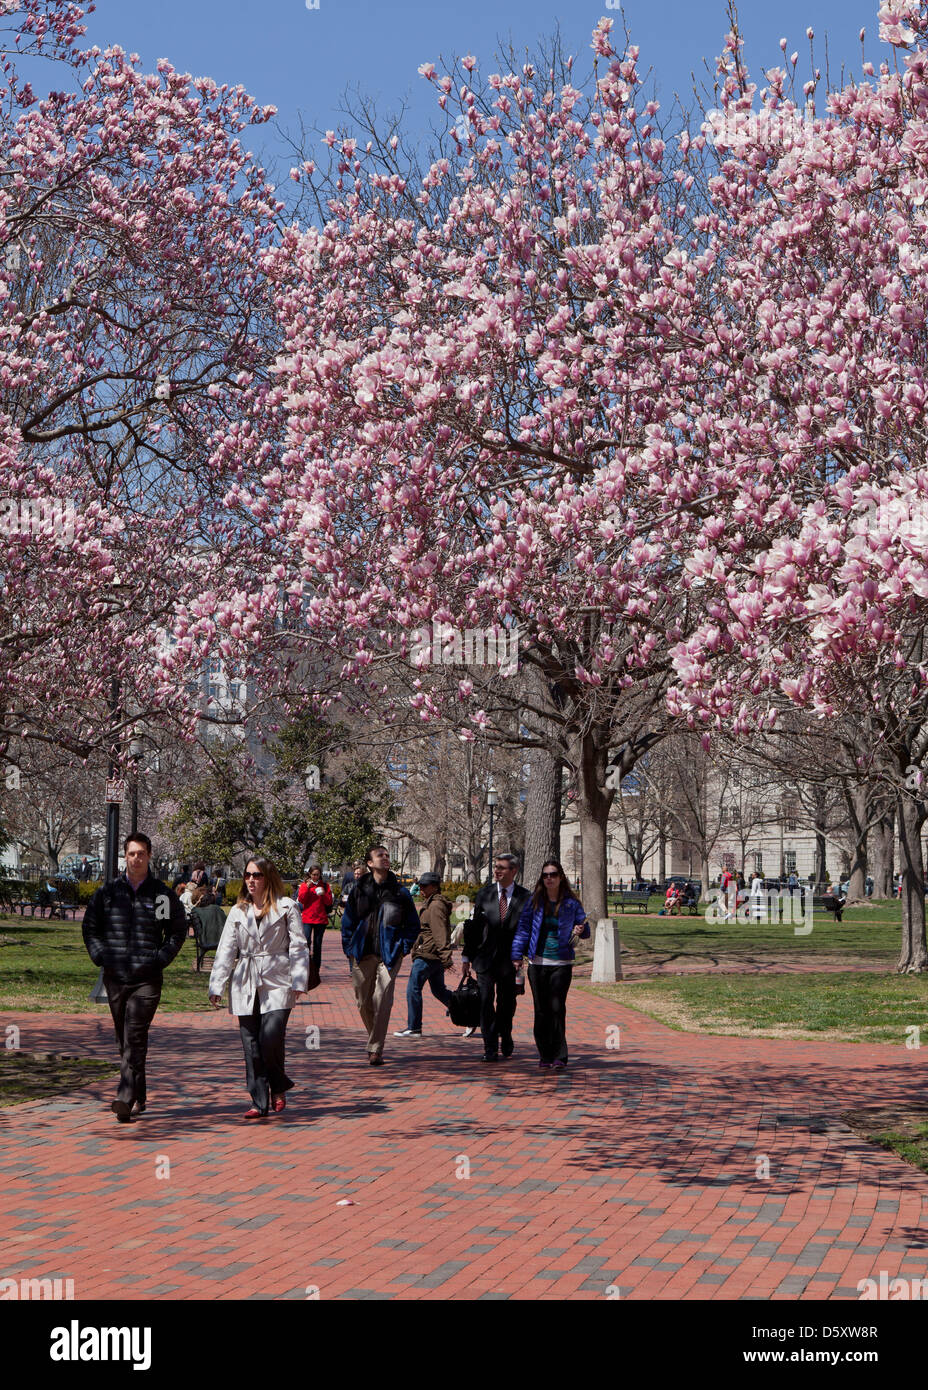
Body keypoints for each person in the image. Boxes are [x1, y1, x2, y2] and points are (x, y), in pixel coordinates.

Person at [81, 832, 187, 1123]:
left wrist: (160, 959)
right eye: (131, 854)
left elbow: (177, 931)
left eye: (141, 853)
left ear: (149, 856)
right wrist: (102, 956)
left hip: (146, 980)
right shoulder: (109, 894)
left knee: (134, 1036)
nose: (136, 858)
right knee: (124, 1040)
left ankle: (124, 1098)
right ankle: (139, 1097)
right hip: (116, 977)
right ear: (124, 857)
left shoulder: (161, 895)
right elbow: (90, 928)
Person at [208, 855, 308, 1118]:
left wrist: (299, 979)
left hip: (278, 979)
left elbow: (298, 945)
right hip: (245, 979)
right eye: (248, 875)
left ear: (268, 877)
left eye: (257, 875)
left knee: (270, 1036)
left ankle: (279, 1084)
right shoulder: (238, 912)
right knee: (251, 1044)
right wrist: (217, 984)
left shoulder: (287, 907)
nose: (252, 880)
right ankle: (259, 1101)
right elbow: (226, 949)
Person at [341, 845, 419, 1065]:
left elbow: (412, 924)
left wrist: (403, 947)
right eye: (380, 855)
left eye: (387, 855)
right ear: (369, 863)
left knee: (382, 999)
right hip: (361, 954)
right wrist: (349, 949)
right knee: (363, 1001)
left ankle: (375, 1049)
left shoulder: (399, 892)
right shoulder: (359, 889)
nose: (385, 858)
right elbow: (348, 922)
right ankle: (373, 1039)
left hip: (389, 954)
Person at [512, 860, 589, 1070]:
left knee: (557, 1008)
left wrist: (581, 929)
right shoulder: (534, 902)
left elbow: (585, 929)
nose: (549, 878)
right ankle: (545, 1054)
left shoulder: (572, 903)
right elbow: (523, 930)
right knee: (541, 1010)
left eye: (553, 874)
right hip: (537, 963)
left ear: (560, 877)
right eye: (545, 875)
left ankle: (560, 1056)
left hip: (561, 963)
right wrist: (517, 955)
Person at [461, 853, 531, 1063]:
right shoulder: (485, 894)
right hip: (485, 958)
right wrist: (466, 956)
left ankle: (505, 1033)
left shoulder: (525, 897)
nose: (497, 871)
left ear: (514, 871)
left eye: (502, 868)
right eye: (496, 867)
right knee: (484, 1001)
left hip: (511, 960)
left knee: (506, 1004)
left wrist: (522, 955)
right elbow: (473, 927)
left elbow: (526, 928)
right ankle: (489, 1046)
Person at [395, 872, 454, 1038]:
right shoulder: (432, 903)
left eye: (425, 886)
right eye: (420, 885)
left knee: (413, 989)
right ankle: (466, 1010)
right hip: (431, 953)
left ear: (434, 887)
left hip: (428, 954)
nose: (421, 888)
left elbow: (440, 932)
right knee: (438, 990)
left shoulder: (435, 906)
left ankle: (414, 1027)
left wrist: (446, 957)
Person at [298, 865, 333, 980]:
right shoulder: (304, 885)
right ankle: (306, 965)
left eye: (317, 875)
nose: (315, 877)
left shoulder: (325, 886)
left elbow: (329, 903)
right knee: (306, 942)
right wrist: (307, 888)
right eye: (313, 875)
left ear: (320, 875)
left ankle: (316, 969)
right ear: (309, 875)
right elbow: (302, 900)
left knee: (318, 945)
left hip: (320, 919)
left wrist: (323, 895)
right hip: (308, 918)